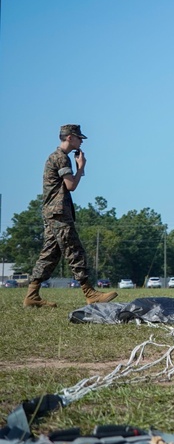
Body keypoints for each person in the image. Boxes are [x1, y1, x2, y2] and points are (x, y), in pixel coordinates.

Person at [23, 124, 118, 308]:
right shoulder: (61, 158)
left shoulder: (56, 157)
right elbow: (71, 185)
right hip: (58, 214)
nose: (81, 141)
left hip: (52, 213)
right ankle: (90, 293)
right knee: (75, 250)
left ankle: (32, 295)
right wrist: (81, 168)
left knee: (50, 254)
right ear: (69, 137)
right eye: (79, 138)